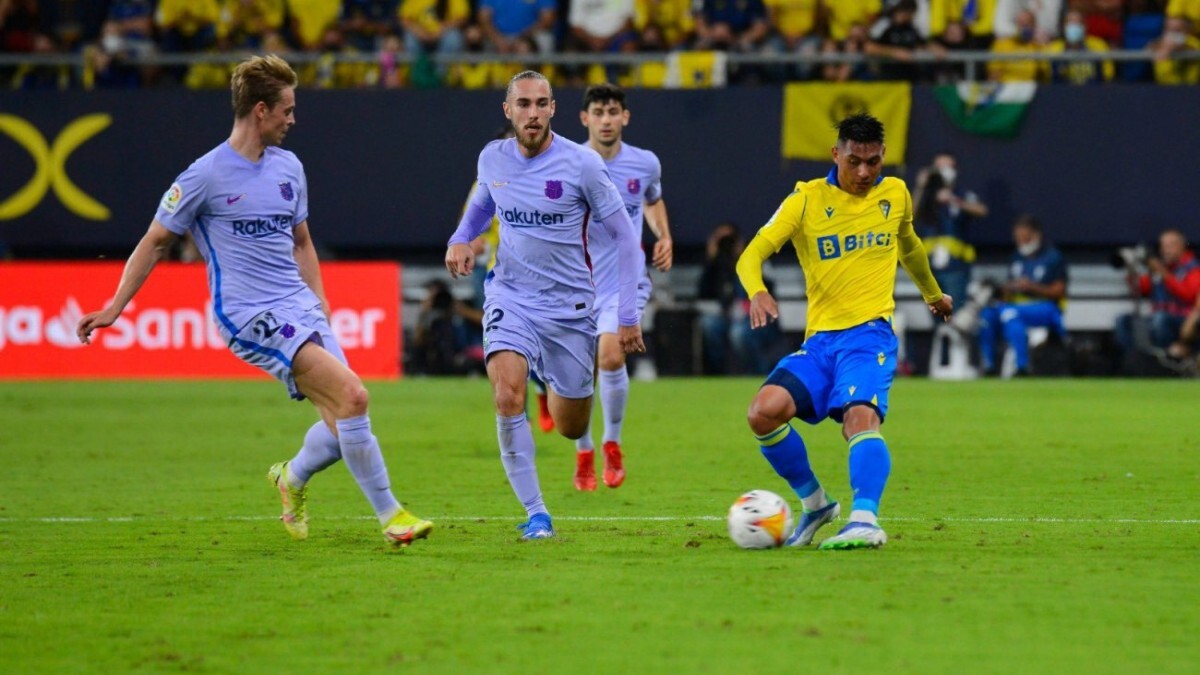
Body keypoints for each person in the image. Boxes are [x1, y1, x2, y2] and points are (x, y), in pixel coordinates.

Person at [74, 55, 432, 549]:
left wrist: (320, 301)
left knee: (341, 421)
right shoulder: (204, 175)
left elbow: (302, 242)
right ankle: (392, 515)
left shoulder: (289, 167)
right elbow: (155, 241)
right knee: (354, 398)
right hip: (248, 315)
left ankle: (290, 477)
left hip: (298, 305)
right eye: (286, 109)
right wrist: (115, 307)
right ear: (260, 110)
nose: (293, 119)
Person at [735, 113, 952, 551]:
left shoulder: (896, 194)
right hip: (820, 344)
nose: (864, 172)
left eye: (873, 162)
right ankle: (816, 504)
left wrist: (933, 293)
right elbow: (750, 255)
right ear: (836, 154)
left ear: (883, 157)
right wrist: (757, 291)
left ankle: (864, 518)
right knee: (763, 411)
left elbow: (908, 246)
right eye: (854, 161)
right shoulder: (805, 200)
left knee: (859, 419)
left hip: (869, 336)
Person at [444, 71, 646, 540]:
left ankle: (547, 375)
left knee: (572, 427)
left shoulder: (583, 165)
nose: (532, 114)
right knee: (505, 396)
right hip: (510, 295)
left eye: (541, 104)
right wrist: (461, 239)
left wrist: (629, 317)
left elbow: (625, 239)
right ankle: (538, 514)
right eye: (523, 104)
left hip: (571, 308)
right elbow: (481, 205)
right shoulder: (492, 157)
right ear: (508, 110)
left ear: (553, 109)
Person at [574, 83, 673, 491]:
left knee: (611, 357)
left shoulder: (645, 163)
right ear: (585, 119)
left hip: (623, 280)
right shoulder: (570, 163)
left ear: (625, 117)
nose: (606, 120)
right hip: (575, 283)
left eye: (613, 111)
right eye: (598, 112)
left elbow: (651, 200)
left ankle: (611, 442)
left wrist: (663, 235)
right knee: (576, 373)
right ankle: (583, 449)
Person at [977, 215, 1067, 377]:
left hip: (1045, 307)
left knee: (1010, 314)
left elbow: (1059, 291)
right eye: (1018, 239)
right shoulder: (1016, 258)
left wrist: (1032, 286)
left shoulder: (1053, 257)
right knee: (987, 315)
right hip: (1014, 306)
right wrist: (1004, 289)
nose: (1021, 243)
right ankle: (989, 366)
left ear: (1036, 235)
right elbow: (1007, 292)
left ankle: (1022, 367)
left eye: (1024, 238)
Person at [912, 151, 988, 308]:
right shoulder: (927, 196)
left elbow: (982, 210)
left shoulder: (962, 194)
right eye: (940, 167)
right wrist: (921, 186)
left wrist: (954, 200)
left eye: (949, 167)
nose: (945, 171)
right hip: (929, 267)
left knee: (955, 310)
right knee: (935, 311)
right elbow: (910, 215)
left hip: (955, 266)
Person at [1114, 229, 1200, 358]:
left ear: (1182, 246)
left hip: (1183, 321)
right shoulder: (1160, 267)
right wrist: (1132, 271)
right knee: (1123, 321)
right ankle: (1133, 361)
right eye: (1163, 246)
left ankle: (1166, 362)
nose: (1166, 250)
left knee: (1161, 319)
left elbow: (1188, 294)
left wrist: (1163, 273)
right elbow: (1142, 289)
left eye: (1171, 245)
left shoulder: (1192, 268)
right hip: (1157, 318)